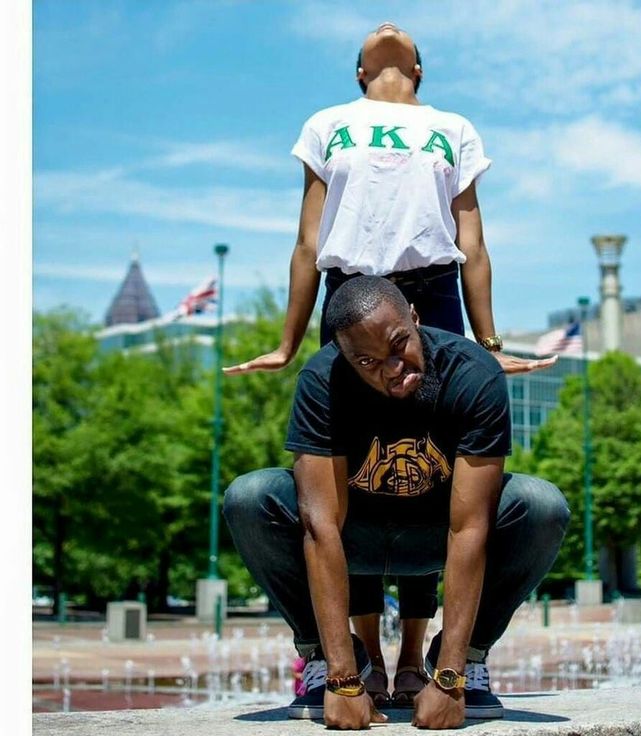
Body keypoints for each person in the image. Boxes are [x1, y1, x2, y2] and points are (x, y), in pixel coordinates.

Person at [224, 21, 556, 707]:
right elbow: (308, 241)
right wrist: (288, 341)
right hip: (351, 296)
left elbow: (474, 239)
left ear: (420, 69)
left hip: (430, 291)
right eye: (371, 39)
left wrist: (489, 346)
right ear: (357, 72)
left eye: (401, 36)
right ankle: (355, 659)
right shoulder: (329, 123)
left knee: (435, 467)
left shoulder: (452, 127)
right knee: (354, 474)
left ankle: (421, 658)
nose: (386, 27)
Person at [223, 276, 570, 729]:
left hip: (436, 535)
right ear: (345, 357)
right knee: (249, 496)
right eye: (366, 361)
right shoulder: (321, 381)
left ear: (415, 317)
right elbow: (321, 527)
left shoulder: (473, 374)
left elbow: (469, 528)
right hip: (354, 537)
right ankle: (320, 656)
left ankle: (471, 655)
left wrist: (449, 678)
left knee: (542, 504)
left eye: (397, 344)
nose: (389, 368)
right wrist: (343, 680)